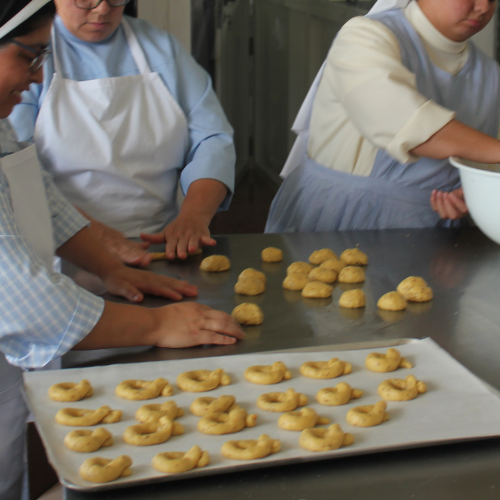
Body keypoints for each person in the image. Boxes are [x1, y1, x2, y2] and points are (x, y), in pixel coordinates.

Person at [0, 4, 244, 499]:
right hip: (47, 286)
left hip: (137, 254)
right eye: (29, 57)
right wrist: (157, 325)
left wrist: (112, 268)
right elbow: (27, 304)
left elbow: (36, 194)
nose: (36, 73)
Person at [9, 0, 235, 266]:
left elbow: (212, 139)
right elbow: (17, 168)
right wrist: (94, 234)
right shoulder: (30, 58)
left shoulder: (161, 48)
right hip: (61, 252)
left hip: (159, 246)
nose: (103, 9)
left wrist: (194, 216)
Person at [265, 0, 500, 233]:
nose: (482, 8)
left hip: (434, 233)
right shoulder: (365, 37)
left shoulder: (490, 73)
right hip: (342, 218)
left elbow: (480, 162)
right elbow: (409, 125)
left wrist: (471, 194)